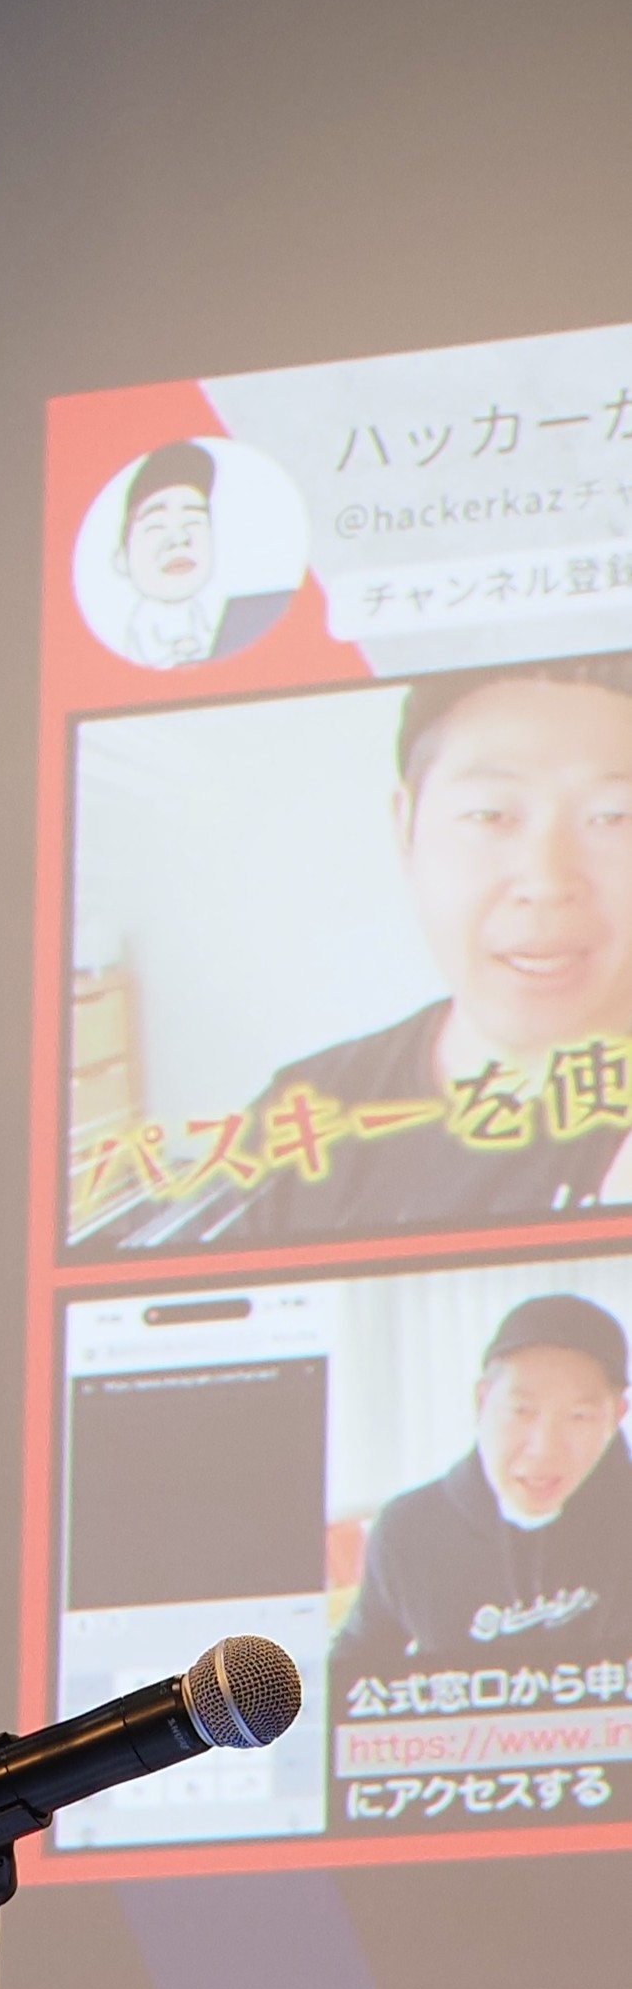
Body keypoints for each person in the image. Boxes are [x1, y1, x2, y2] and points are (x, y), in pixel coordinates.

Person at [216, 655, 632, 1245]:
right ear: (405, 829)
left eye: (613, 818)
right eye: (489, 815)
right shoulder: (303, 1119)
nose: (546, 880)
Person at [329, 1289, 632, 1686]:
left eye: (579, 1417)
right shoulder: (410, 1530)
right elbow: (357, 1663)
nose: (544, 1449)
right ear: (482, 1400)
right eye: (522, 1411)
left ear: (616, 1417)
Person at [95, 437, 290, 673]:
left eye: (193, 521)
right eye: (156, 526)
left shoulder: (218, 623)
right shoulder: (141, 638)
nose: (180, 539)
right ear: (121, 559)